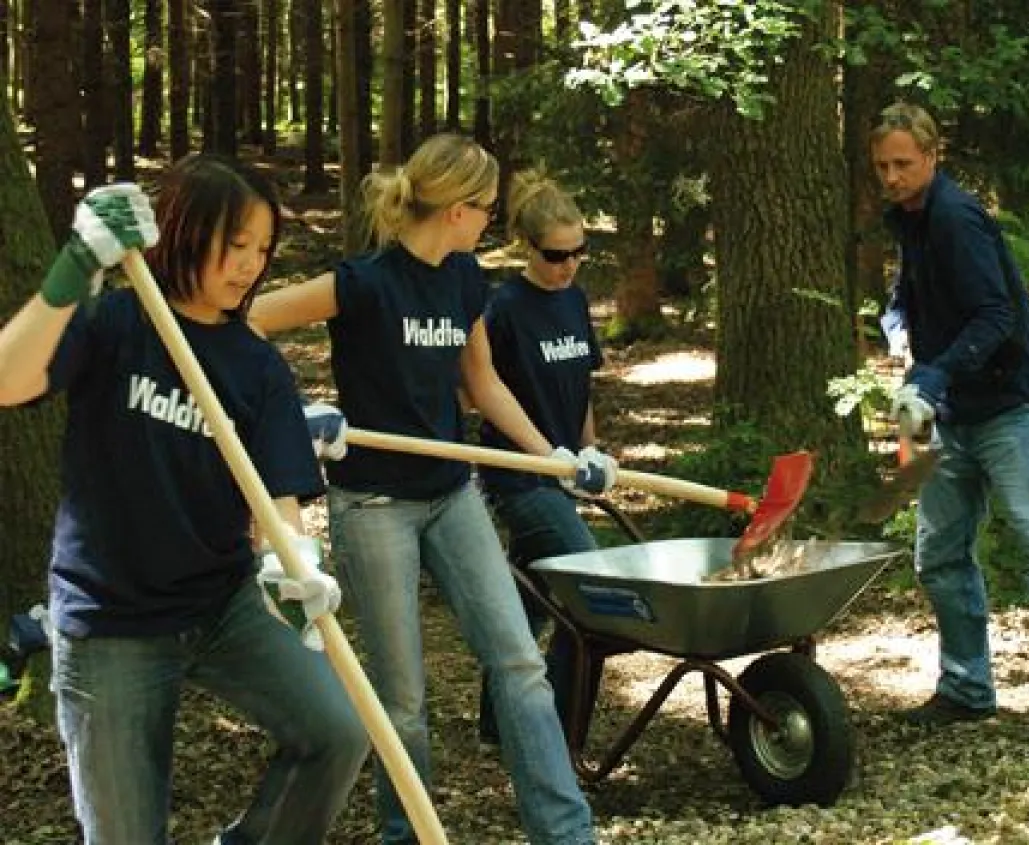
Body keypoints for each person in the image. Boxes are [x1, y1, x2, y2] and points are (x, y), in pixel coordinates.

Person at [249, 133, 608, 845]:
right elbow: (249, 319)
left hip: (452, 495)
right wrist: (294, 410)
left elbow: (483, 382)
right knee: (404, 698)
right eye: (487, 209)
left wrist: (556, 459)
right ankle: (407, 833)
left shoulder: (465, 278)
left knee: (520, 662)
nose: (490, 222)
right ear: (455, 209)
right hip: (373, 505)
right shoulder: (363, 282)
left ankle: (566, 833)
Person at [0, 154, 370, 844]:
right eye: (236, 244)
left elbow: (277, 499)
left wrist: (294, 565)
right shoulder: (118, 322)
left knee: (340, 732)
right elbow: (7, 380)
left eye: (262, 249)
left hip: (221, 603)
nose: (250, 266)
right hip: (109, 618)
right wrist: (73, 267)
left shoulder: (257, 366)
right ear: (185, 230)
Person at [870, 102, 1029, 757]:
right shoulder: (910, 219)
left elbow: (995, 315)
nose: (891, 176)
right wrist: (899, 336)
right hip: (948, 415)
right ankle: (966, 687)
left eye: (903, 163)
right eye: (882, 165)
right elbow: (910, 300)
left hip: (1012, 409)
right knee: (940, 554)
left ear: (932, 156)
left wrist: (933, 376)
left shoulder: (956, 217)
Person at [475, 168, 614, 751]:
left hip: (563, 473)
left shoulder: (575, 300)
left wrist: (590, 450)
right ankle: (554, 728)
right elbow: (476, 387)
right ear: (527, 247)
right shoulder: (504, 308)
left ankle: (497, 722)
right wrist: (545, 453)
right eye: (557, 255)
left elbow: (581, 387)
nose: (570, 265)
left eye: (580, 252)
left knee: (528, 601)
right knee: (590, 589)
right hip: (518, 475)